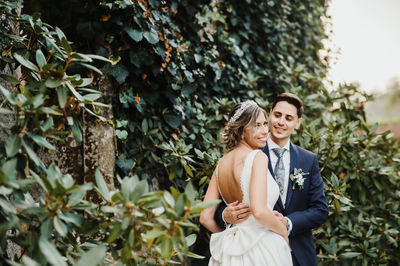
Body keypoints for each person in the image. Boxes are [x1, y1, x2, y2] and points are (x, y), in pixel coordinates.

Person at [214, 93, 329, 266]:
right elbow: (224, 200)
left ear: (297, 123)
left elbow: (320, 210)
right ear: (269, 114)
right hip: (256, 251)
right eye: (277, 115)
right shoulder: (251, 154)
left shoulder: (308, 160)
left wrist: (287, 223)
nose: (281, 122)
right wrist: (224, 214)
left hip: (299, 254)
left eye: (289, 118)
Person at [200, 100, 293, 265]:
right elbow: (259, 211)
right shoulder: (258, 157)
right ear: (240, 131)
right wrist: (283, 232)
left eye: (265, 124)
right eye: (257, 126)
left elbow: (205, 218)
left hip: (229, 252)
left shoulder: (220, 164)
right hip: (262, 249)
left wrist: (229, 235)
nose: (265, 131)